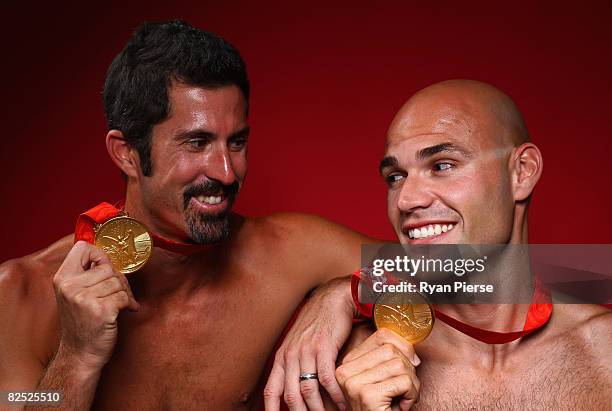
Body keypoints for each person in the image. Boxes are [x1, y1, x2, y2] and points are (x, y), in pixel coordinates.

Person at [0, 20, 374, 410]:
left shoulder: (286, 253)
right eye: (197, 143)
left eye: (237, 142)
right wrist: (76, 358)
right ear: (126, 153)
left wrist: (347, 293)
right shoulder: (20, 294)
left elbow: (443, 272)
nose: (226, 173)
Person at [266, 80, 612, 410]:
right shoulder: (349, 369)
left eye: (442, 165)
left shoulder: (603, 352)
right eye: (395, 177)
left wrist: (349, 290)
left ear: (521, 172)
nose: (406, 200)